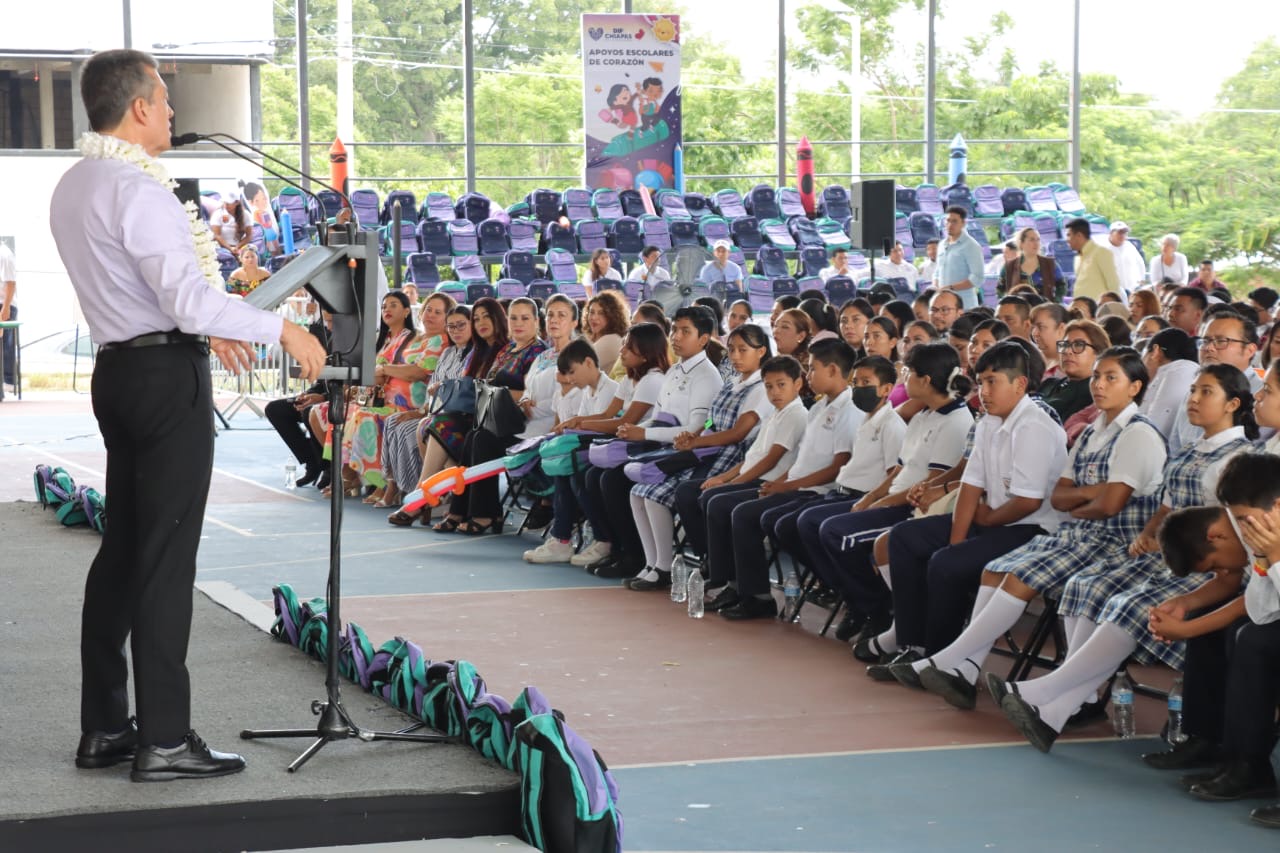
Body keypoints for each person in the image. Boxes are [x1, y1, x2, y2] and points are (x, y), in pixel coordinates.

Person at [51, 49, 325, 782]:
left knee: (123, 550)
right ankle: (165, 738)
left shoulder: (75, 184)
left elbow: (155, 293)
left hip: (119, 372)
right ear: (138, 107)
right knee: (167, 559)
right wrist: (284, 329)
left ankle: (106, 725)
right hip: (166, 378)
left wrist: (210, 319)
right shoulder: (139, 191)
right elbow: (184, 299)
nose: (173, 112)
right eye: (164, 98)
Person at [994, 365, 1258, 752]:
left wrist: (1168, 544)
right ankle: (1060, 708)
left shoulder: (1240, 458)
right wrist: (1150, 535)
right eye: (1193, 391)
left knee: (1129, 606)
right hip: (1168, 555)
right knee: (1085, 586)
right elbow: (1166, 510)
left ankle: (1047, 693)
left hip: (1205, 566)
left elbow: (1229, 537)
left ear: (1233, 404)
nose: (1194, 400)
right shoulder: (1189, 450)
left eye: (1206, 392)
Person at [907, 347, 1165, 709]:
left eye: (1111, 378)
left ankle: (952, 660)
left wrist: (1084, 495)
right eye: (1096, 376)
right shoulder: (1093, 432)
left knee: (1021, 574)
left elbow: (1110, 506)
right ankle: (964, 665)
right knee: (997, 569)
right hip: (1080, 534)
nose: (1099, 385)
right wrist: (1092, 492)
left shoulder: (1137, 434)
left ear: (1135, 387)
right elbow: (1060, 497)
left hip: (1114, 541)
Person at [876, 341, 1068, 673]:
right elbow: (971, 484)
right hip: (992, 518)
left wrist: (982, 525)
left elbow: (1028, 501)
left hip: (1032, 528)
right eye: (981, 382)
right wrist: (957, 538)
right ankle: (913, 643)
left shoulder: (1033, 425)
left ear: (1020, 384)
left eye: (993, 382)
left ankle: (937, 661)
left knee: (947, 565)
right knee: (904, 538)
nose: (984, 391)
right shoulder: (989, 421)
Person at [704, 340, 863, 619]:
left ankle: (759, 595)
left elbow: (838, 467)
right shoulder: (818, 407)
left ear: (834, 370)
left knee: (743, 513)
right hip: (797, 485)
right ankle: (737, 585)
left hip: (817, 491)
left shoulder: (849, 411)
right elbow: (801, 461)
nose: (809, 375)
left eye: (812, 369)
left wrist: (785, 485)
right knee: (727, 506)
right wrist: (780, 483)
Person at [626, 324, 773, 589]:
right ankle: (654, 563)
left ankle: (698, 562)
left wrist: (698, 440)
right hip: (708, 449)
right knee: (640, 490)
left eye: (743, 350)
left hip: (729, 455)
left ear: (761, 351)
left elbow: (737, 434)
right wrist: (696, 435)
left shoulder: (762, 387)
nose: (736, 356)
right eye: (731, 350)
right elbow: (712, 422)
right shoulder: (733, 382)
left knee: (666, 493)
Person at [581, 307, 722, 581]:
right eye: (674, 330)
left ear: (704, 339)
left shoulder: (706, 375)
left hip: (688, 454)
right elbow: (657, 420)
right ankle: (646, 560)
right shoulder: (675, 371)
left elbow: (693, 431)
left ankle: (649, 562)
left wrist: (643, 434)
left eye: (686, 332)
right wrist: (635, 429)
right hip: (661, 446)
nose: (676, 337)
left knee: (618, 481)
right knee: (607, 477)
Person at [434, 298, 548, 535]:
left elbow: (531, 395)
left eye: (525, 318)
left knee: (483, 438)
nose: (518, 323)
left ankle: (485, 513)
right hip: (499, 416)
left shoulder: (539, 352)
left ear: (536, 321)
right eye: (513, 318)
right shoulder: (507, 350)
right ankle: (462, 509)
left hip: (527, 423)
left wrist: (500, 391)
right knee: (473, 435)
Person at [565, 322, 670, 571]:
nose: (621, 352)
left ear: (645, 352)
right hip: (627, 443)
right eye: (623, 345)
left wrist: (582, 424)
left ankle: (634, 553)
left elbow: (625, 421)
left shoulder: (653, 380)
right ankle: (612, 543)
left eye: (628, 348)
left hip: (649, 445)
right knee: (586, 474)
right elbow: (608, 414)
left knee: (609, 481)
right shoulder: (630, 378)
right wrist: (581, 421)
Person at [522, 339, 621, 564]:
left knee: (574, 472)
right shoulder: (589, 391)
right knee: (563, 469)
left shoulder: (611, 390)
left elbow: (600, 427)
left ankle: (601, 539)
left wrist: (576, 425)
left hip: (604, 451)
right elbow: (582, 426)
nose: (571, 379)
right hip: (590, 449)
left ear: (588, 363)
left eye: (573, 372)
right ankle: (562, 539)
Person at [385, 304, 474, 526]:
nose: (455, 330)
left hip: (461, 417)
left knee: (425, 427)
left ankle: (421, 496)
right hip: (435, 412)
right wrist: (422, 410)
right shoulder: (447, 352)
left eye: (461, 325)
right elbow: (432, 388)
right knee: (402, 422)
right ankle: (417, 491)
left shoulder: (475, 354)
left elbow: (463, 391)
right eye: (451, 326)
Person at [265, 313, 334, 490]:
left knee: (309, 411)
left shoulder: (354, 340)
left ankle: (329, 467)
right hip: (320, 395)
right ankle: (312, 462)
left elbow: (354, 383)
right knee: (275, 409)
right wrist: (308, 394)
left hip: (340, 399)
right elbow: (321, 380)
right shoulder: (326, 335)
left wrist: (323, 398)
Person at [1039, 319, 1108, 423]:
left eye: (1079, 345)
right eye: (1065, 345)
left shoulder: (1095, 395)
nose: (1067, 351)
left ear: (1099, 353)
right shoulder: (1049, 384)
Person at [1137, 327, 1200, 437]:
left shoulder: (1177, 371)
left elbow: (1150, 432)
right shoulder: (1188, 371)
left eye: (1143, 356)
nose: (1141, 365)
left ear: (1155, 352)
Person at [932, 206, 985, 310]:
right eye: (948, 221)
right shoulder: (942, 244)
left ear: (963, 223)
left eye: (955, 221)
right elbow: (937, 272)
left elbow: (977, 278)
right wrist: (936, 287)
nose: (950, 225)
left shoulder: (971, 245)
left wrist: (951, 288)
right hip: (944, 305)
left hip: (965, 305)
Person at [1065, 217, 1120, 301]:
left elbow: (1113, 285)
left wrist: (1111, 308)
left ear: (1079, 235)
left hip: (1100, 310)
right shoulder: (1077, 258)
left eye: (1069, 235)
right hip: (1082, 309)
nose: (1067, 240)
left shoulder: (1101, 253)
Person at [581, 289, 629, 375]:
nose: (594, 318)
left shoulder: (612, 340)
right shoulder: (592, 338)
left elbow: (577, 365)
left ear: (612, 317)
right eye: (592, 312)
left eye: (601, 313)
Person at [1094, 221, 1145, 295]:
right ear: (1111, 233)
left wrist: (1141, 283)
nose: (1122, 235)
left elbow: (1140, 264)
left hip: (1132, 291)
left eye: (1124, 233)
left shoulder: (1130, 247)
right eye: (1120, 232)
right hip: (1111, 293)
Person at [0, 239, 17, 396]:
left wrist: (5, 308)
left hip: (4, 304)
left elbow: (11, 282)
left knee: (6, 345)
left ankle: (9, 381)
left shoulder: (4, 254)